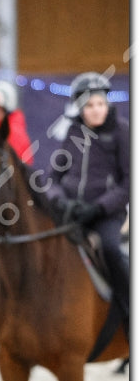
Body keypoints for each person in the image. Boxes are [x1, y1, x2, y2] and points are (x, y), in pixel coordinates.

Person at [46, 71, 129, 334]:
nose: (96, 110)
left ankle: (129, 310)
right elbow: (53, 178)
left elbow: (129, 182)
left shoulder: (122, 131)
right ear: (80, 107)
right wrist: (62, 202)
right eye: (90, 105)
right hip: (72, 212)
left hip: (107, 214)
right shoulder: (73, 133)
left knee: (111, 249)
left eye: (101, 103)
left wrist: (99, 207)